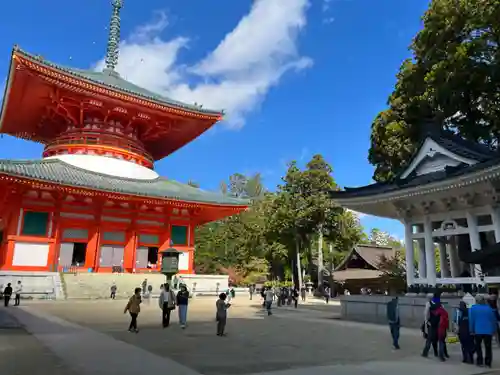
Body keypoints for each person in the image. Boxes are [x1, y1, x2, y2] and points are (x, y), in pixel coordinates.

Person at [470, 294, 497, 368]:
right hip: (488, 331)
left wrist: (471, 330)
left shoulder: (473, 308)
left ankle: (480, 361)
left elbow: (472, 320)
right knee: (488, 347)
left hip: (478, 330)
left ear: (476, 301)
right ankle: (488, 362)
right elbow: (493, 320)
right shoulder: (489, 308)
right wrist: (494, 330)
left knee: (478, 347)